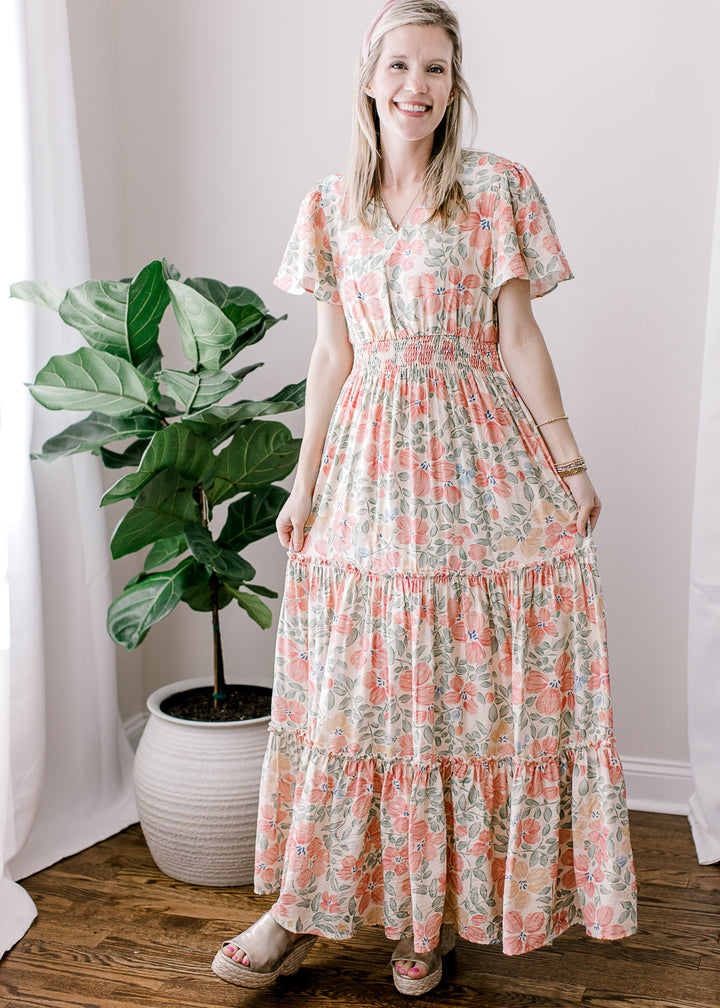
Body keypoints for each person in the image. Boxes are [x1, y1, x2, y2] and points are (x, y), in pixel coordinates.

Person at [211, 0, 637, 996]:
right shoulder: (330, 206)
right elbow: (330, 354)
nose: (417, 86)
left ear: (456, 84)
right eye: (399, 65)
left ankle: (426, 917)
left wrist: (570, 465)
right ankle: (295, 912)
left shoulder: (496, 190)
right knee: (355, 690)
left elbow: (520, 339)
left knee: (446, 696)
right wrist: (304, 484)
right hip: (366, 465)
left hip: (478, 465)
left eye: (437, 69)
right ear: (368, 77)